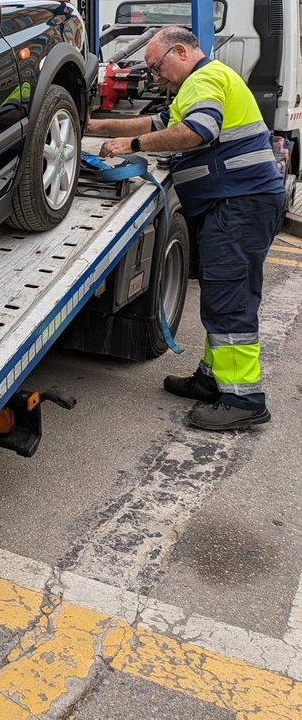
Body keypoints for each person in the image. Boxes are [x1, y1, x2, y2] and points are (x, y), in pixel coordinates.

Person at [86, 25, 285, 431]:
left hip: (239, 204)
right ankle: (214, 380)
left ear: (179, 51)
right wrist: (92, 126)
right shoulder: (203, 83)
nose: (156, 77)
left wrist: (135, 148)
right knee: (222, 293)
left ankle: (243, 400)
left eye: (157, 67)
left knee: (229, 297)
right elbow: (152, 123)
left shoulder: (205, 79)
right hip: (237, 203)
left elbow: (197, 132)